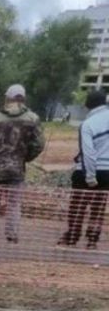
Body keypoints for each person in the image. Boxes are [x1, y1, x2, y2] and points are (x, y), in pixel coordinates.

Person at [0, 84, 45, 243]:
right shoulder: (32, 119)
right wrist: (25, 157)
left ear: (8, 98)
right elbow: (39, 145)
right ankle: (12, 235)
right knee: (14, 204)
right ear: (23, 98)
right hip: (17, 170)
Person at [59, 90, 109, 249]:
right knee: (98, 207)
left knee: (78, 205)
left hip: (86, 171)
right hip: (107, 171)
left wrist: (90, 176)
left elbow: (88, 152)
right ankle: (92, 240)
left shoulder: (88, 124)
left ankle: (72, 237)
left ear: (88, 105)